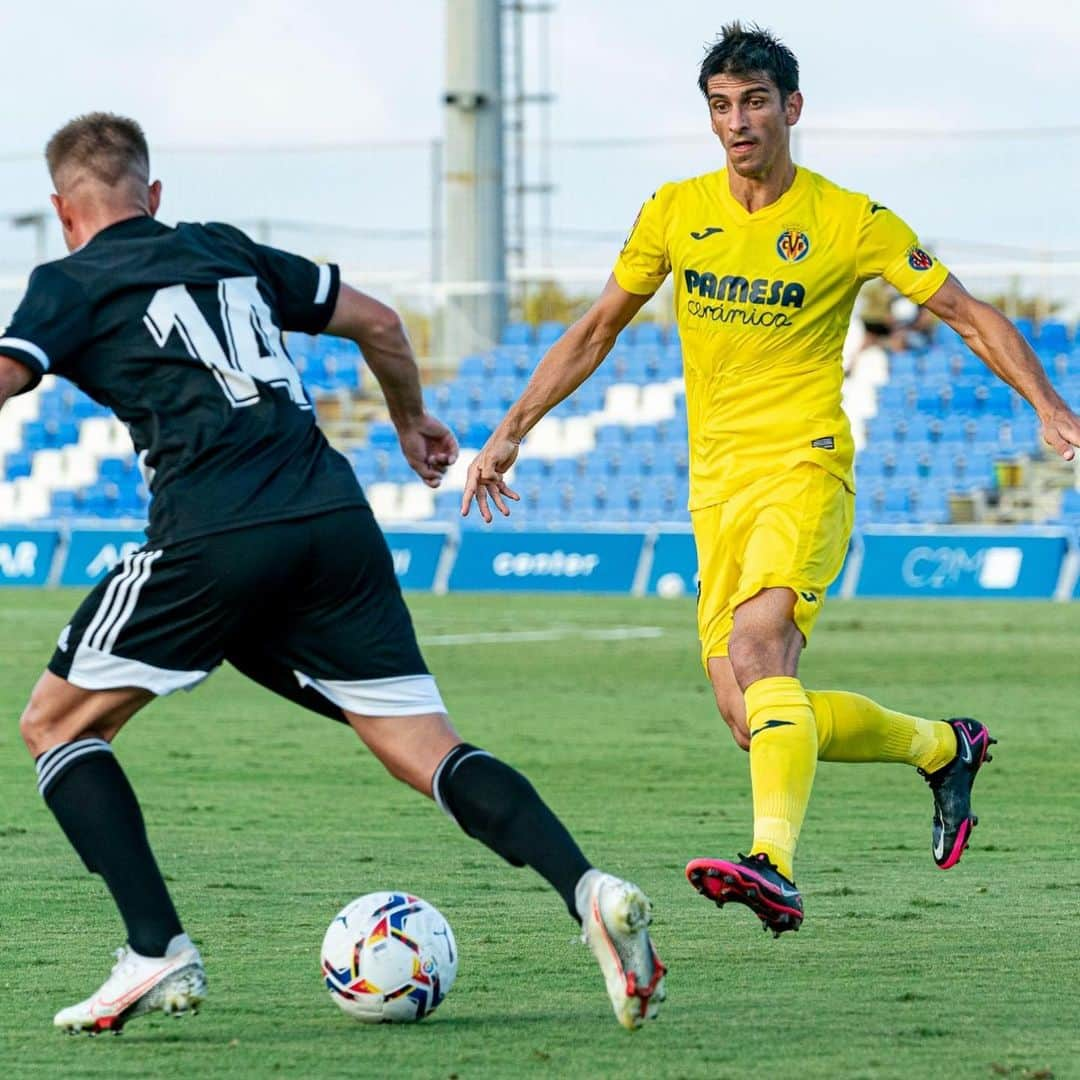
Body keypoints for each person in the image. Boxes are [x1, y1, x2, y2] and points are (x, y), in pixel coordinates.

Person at [1, 113, 665, 1034]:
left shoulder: (67, 277)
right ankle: (589, 890)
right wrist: (410, 420)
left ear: (62, 213)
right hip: (334, 520)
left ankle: (157, 950)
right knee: (428, 749)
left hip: (214, 529)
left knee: (53, 723)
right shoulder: (224, 248)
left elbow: (9, 373)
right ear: (153, 196)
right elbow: (382, 323)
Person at [463, 23, 1080, 936]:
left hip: (805, 466)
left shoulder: (849, 219)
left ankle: (773, 867)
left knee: (759, 654)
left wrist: (1049, 404)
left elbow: (962, 312)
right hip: (715, 487)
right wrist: (510, 430)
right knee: (755, 718)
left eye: (755, 102)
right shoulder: (676, 211)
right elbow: (596, 328)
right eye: (721, 105)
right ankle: (945, 747)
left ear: (792, 108)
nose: (737, 122)